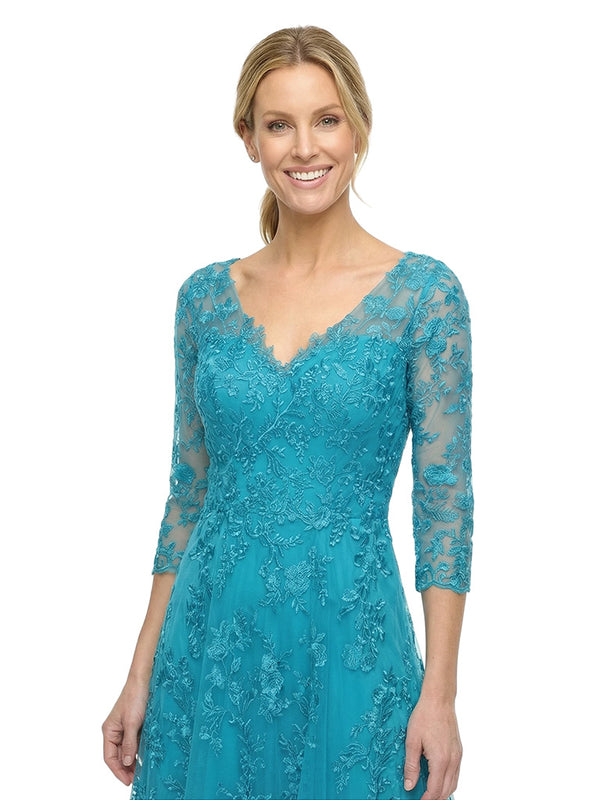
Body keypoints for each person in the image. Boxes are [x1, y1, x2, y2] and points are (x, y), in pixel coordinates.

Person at [102, 25, 473, 800]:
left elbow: (444, 505)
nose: (306, 148)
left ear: (358, 128)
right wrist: (138, 675)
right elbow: (186, 498)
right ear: (249, 138)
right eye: (280, 124)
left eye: (326, 119)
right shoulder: (204, 299)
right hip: (208, 650)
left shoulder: (425, 297)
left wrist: (440, 696)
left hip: (351, 649)